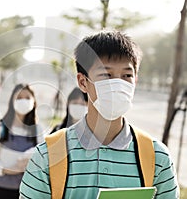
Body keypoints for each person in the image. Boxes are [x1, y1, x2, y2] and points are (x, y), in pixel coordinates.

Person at [20, 30, 180, 198]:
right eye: (106, 75)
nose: (117, 83)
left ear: (135, 81)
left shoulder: (157, 157)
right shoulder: (47, 155)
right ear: (83, 82)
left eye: (126, 75)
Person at [0, 83, 45, 199]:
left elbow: (43, 156)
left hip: (28, 190)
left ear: (34, 102)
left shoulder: (37, 130)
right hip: (3, 188)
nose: (23, 101)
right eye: (19, 97)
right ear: (12, 101)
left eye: (27, 98)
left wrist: (26, 161)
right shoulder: (0, 127)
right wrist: (6, 170)